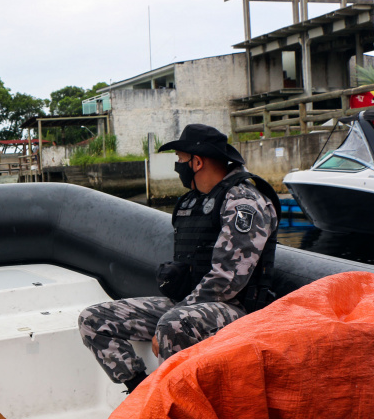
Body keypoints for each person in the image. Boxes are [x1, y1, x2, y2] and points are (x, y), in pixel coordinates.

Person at [78, 124, 280, 393]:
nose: (178, 166)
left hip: (237, 308)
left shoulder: (243, 201)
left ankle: (177, 407)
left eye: (180, 159)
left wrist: (176, 311)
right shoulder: (194, 201)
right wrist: (178, 306)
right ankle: (140, 393)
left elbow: (227, 279)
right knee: (94, 319)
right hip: (191, 304)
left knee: (173, 324)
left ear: (197, 162)